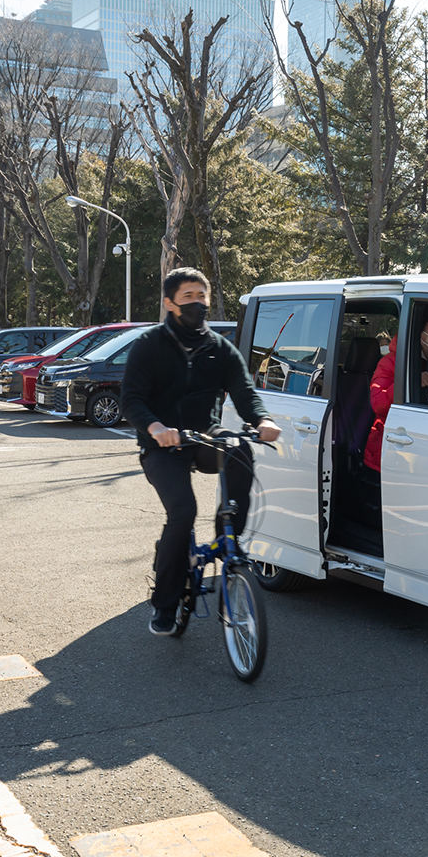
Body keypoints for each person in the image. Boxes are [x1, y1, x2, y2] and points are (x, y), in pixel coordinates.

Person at [121, 268, 282, 637]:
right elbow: (131, 400)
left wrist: (262, 419)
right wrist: (156, 428)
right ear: (169, 304)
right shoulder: (149, 345)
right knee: (183, 511)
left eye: (201, 296)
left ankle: (230, 537)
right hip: (161, 444)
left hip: (202, 434)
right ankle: (165, 604)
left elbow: (244, 391)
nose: (197, 303)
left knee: (240, 448)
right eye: (188, 297)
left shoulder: (219, 347)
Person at [363, 308, 428, 472]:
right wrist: (411, 380)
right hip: (392, 448)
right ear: (418, 333)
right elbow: (378, 403)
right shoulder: (392, 362)